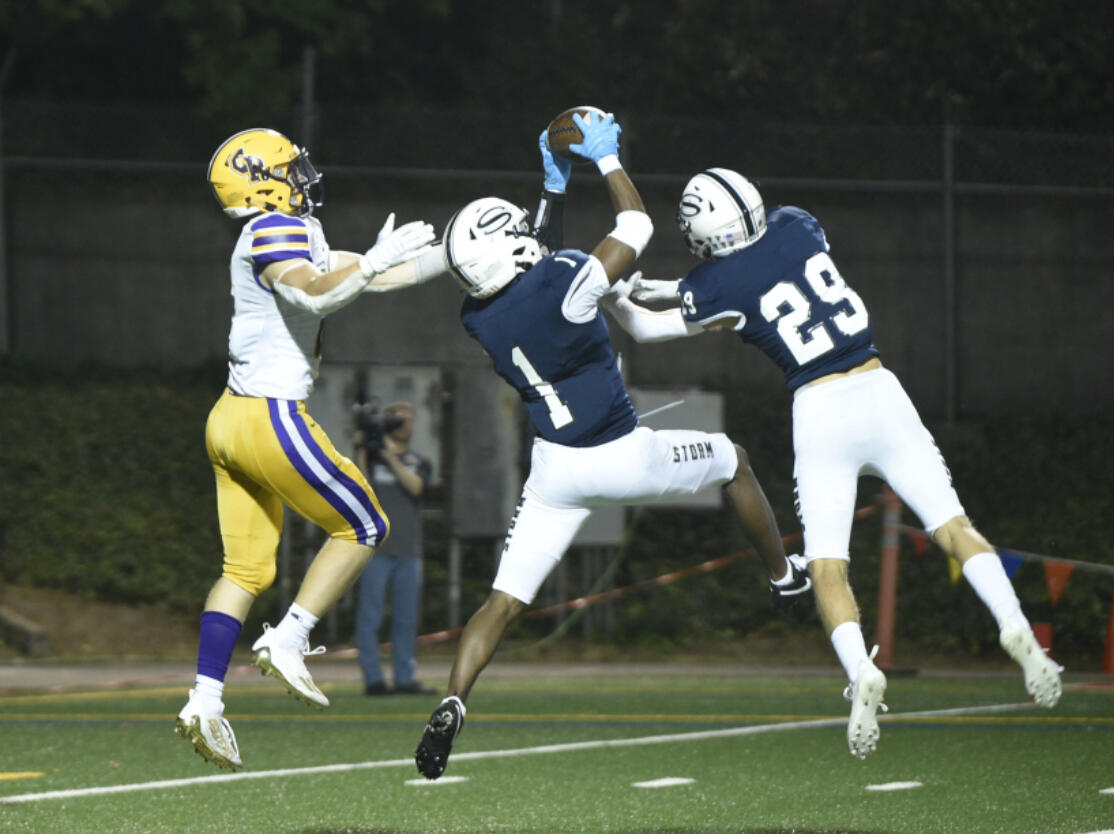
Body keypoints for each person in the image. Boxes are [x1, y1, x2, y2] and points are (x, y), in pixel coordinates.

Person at [620, 168, 1065, 759]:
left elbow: (654, 325)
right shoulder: (796, 225)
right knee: (955, 528)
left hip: (821, 411)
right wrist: (665, 286)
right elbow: (752, 272)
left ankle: (861, 673)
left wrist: (616, 296)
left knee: (828, 566)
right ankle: (1016, 628)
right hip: (880, 390)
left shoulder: (713, 283)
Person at [413, 115, 808, 780]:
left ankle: (453, 700)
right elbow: (635, 227)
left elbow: (533, 255)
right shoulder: (563, 281)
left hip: (553, 472)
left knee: (502, 601)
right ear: (505, 251)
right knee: (734, 458)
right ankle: (783, 574)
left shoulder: (479, 314)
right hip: (624, 456)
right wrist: (606, 157)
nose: (525, 235)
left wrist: (552, 183)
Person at [177, 128, 445, 771]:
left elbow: (370, 278)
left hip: (229, 417)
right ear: (263, 180)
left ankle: (204, 699)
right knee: (365, 524)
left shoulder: (293, 231)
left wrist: (461, 253)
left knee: (246, 571)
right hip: (271, 414)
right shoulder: (274, 229)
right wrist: (374, 263)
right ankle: (289, 639)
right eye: (291, 167)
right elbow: (307, 290)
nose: (304, 173)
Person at [353, 401, 437, 696]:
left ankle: (404, 677)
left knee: (406, 618)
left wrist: (389, 457)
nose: (405, 425)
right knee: (370, 617)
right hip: (375, 550)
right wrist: (364, 449)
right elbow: (361, 488)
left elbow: (416, 488)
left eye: (410, 420)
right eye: (399, 419)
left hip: (409, 550)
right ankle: (373, 679)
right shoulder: (371, 458)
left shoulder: (418, 461)